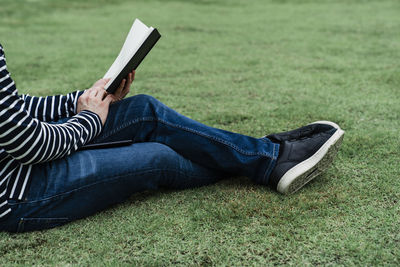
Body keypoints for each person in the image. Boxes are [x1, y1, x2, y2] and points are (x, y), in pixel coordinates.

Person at [0, 43, 344, 233]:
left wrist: (81, 101)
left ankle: (267, 156)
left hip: (16, 156)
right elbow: (33, 146)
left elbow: (14, 108)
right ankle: (269, 156)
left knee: (144, 110)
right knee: (156, 156)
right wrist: (90, 116)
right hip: (20, 192)